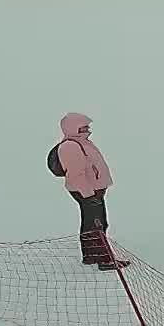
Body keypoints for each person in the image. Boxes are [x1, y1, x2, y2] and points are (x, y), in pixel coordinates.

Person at [51, 112, 125, 270]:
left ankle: (91, 256)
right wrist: (88, 194)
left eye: (87, 126)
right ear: (73, 128)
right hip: (87, 191)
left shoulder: (83, 142)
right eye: (83, 127)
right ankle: (104, 260)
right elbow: (76, 175)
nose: (87, 129)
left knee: (94, 223)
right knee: (96, 225)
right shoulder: (70, 146)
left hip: (92, 190)